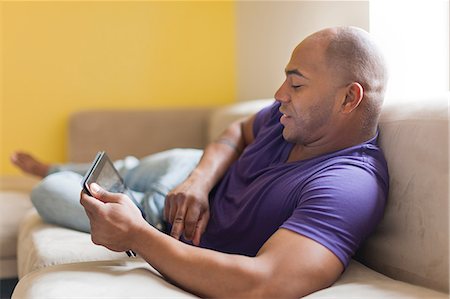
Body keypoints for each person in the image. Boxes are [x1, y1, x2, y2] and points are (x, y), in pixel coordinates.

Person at [12, 26, 388, 298]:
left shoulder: (347, 186)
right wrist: (198, 182)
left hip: (160, 217)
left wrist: (138, 234)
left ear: (348, 99)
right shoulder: (289, 119)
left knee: (51, 193)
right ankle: (82, 167)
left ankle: (59, 173)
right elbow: (237, 133)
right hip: (187, 173)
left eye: (296, 84)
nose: (279, 95)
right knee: (136, 169)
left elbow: (265, 283)